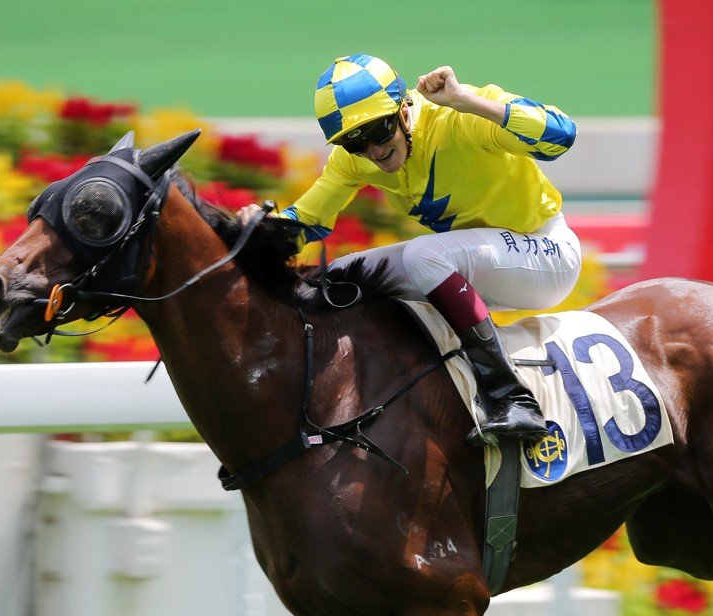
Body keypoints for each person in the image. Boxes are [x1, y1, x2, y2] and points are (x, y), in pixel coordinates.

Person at [241, 53, 581, 445]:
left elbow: (562, 135)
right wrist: (252, 230)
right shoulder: (355, 161)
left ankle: (512, 397)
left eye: (379, 132)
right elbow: (308, 222)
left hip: (547, 252)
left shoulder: (458, 117)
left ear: (403, 110)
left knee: (425, 256)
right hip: (478, 261)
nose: (373, 151)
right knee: (339, 277)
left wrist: (465, 100)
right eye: (354, 143)